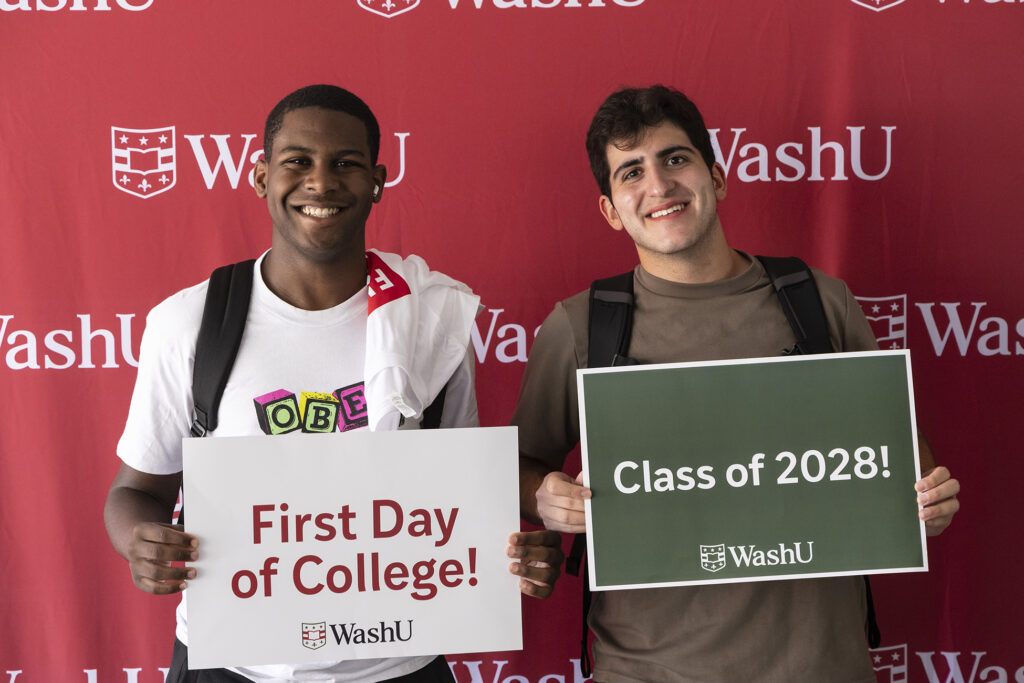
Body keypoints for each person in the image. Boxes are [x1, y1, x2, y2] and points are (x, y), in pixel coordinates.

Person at [104, 84, 562, 683]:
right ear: (261, 176)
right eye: (297, 161)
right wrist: (141, 541)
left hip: (399, 664)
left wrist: (518, 553)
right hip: (231, 662)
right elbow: (134, 493)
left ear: (377, 180)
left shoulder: (431, 320)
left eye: (345, 163)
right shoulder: (188, 325)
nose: (320, 182)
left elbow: (465, 499)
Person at [512, 85, 961, 683]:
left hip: (824, 667)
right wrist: (544, 495)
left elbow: (897, 446)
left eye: (676, 159)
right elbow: (516, 465)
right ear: (611, 210)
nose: (659, 186)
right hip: (649, 672)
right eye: (631, 172)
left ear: (716, 177)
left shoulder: (819, 302)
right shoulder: (582, 325)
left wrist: (926, 501)